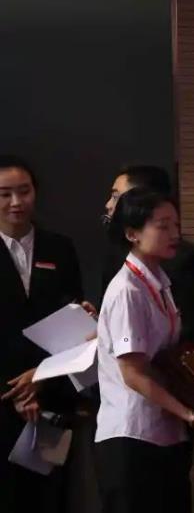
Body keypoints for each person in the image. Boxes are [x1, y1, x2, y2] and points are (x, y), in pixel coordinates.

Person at [95, 187, 194, 513]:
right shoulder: (126, 290)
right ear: (132, 234)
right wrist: (191, 415)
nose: (175, 234)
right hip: (132, 435)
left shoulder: (159, 281)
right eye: (163, 226)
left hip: (165, 431)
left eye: (176, 225)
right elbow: (133, 374)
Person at [0, 155, 89, 512]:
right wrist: (16, 391)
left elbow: (74, 323)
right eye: (5, 194)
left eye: (24, 191)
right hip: (5, 396)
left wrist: (42, 379)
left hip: (52, 395)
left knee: (51, 498)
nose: (16, 202)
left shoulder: (59, 248)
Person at [102, 166, 194, 350]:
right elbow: (127, 351)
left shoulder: (186, 262)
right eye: (164, 227)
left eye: (116, 196)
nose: (109, 205)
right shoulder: (123, 277)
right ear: (132, 234)